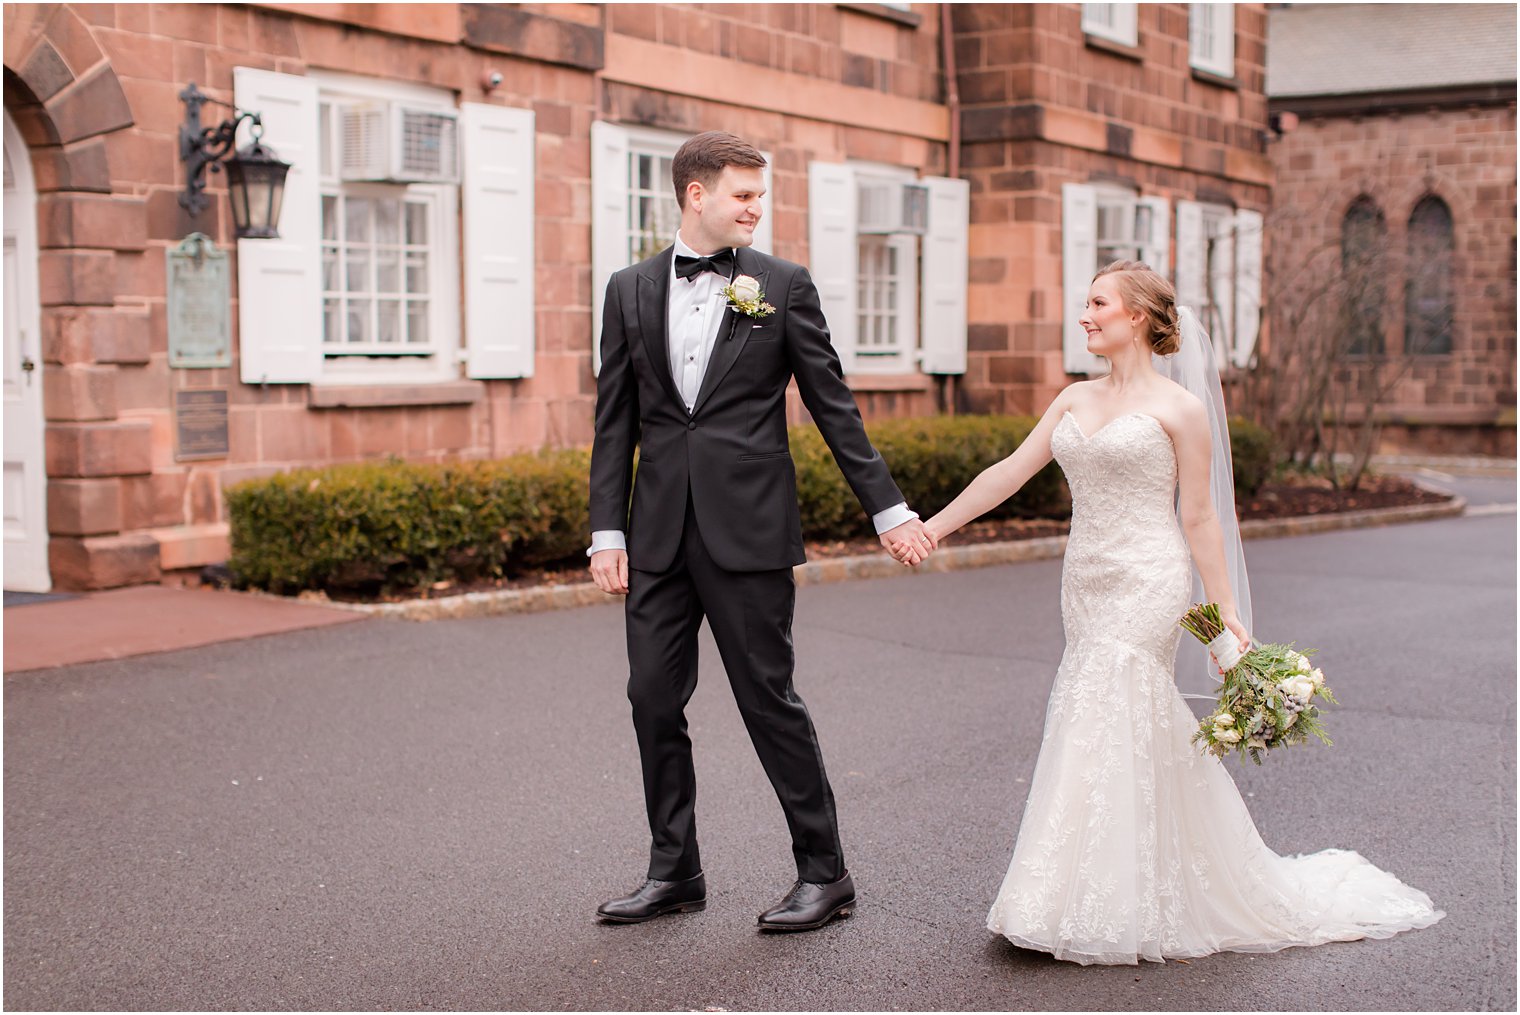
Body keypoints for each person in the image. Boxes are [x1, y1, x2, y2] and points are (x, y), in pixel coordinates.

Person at [902, 260, 1443, 964]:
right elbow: (1008, 472)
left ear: (1138, 316)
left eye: (1098, 303)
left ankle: (1097, 899)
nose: (1085, 314)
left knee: (1108, 699)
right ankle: (1081, 887)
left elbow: (1200, 516)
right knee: (1101, 715)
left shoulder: (1180, 410)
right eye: (1085, 303)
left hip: (1149, 580)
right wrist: (932, 527)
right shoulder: (1071, 400)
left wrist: (1224, 615)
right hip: (1086, 581)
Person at [587, 131, 934, 932]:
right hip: (658, 536)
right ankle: (675, 869)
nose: (756, 207)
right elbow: (615, 423)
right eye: (743, 193)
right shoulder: (629, 288)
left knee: (766, 700)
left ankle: (825, 872)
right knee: (650, 699)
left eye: (759, 194)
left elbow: (832, 404)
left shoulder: (782, 284)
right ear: (695, 194)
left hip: (748, 534)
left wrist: (890, 509)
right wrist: (608, 531)